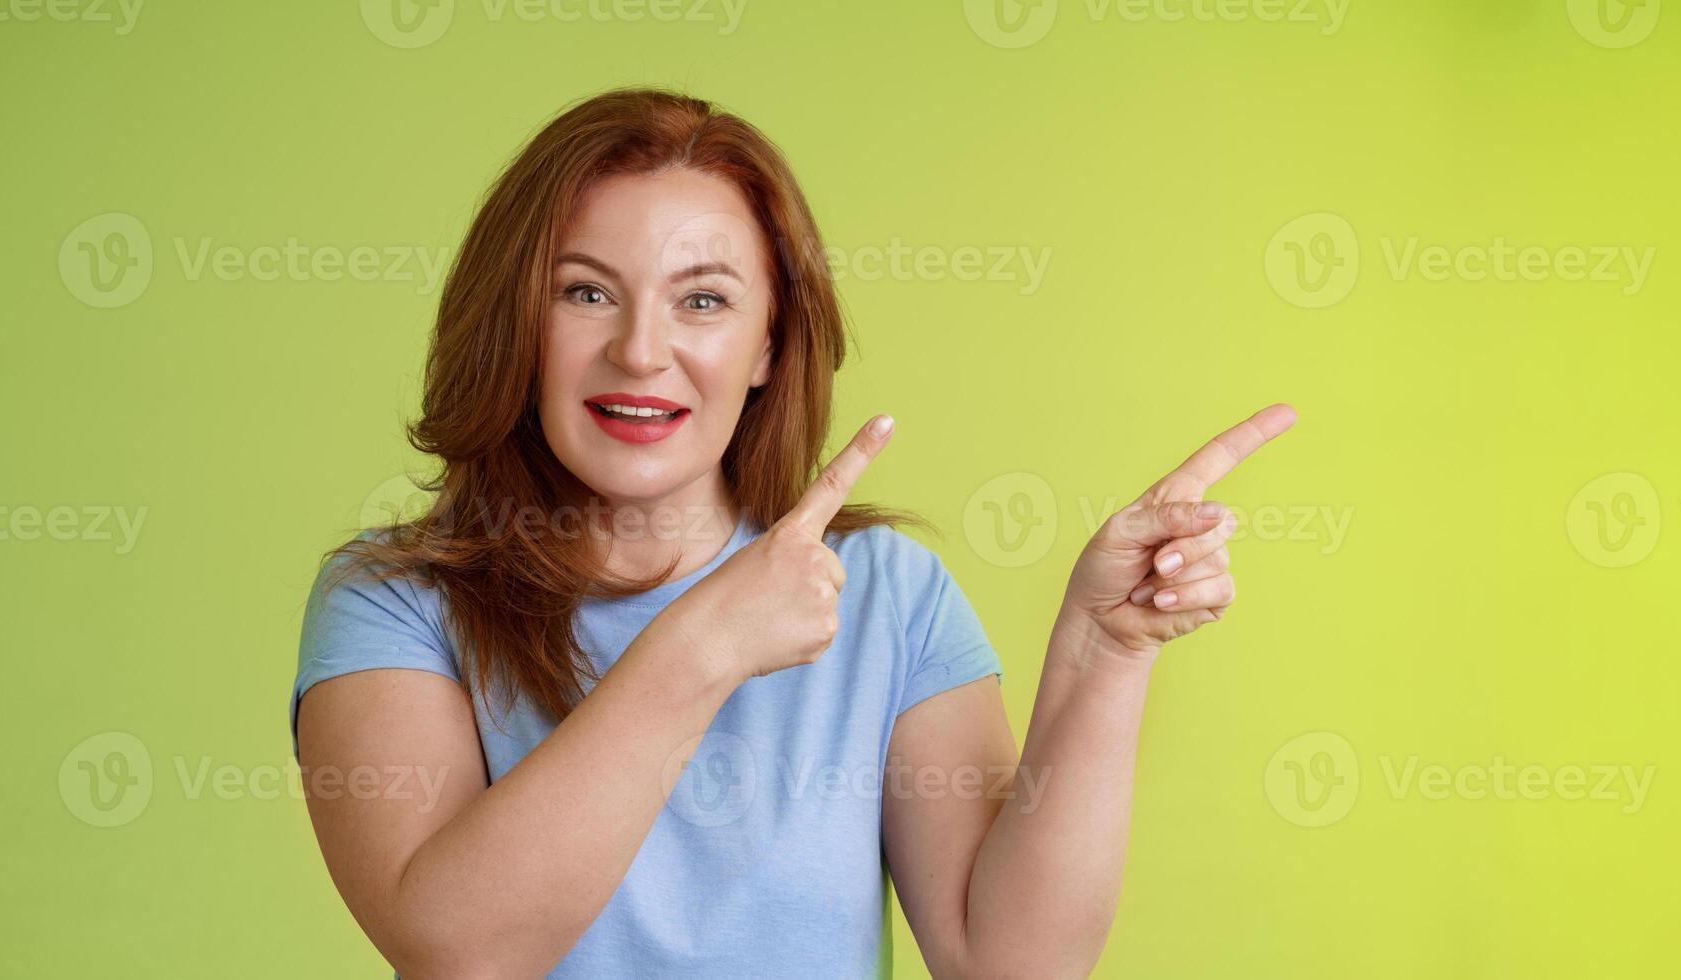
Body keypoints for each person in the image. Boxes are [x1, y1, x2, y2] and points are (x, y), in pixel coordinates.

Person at [294, 87, 1296, 978]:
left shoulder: (886, 591)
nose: (641, 349)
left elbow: (1010, 961)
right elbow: (457, 948)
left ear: (769, 340)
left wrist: (1102, 648)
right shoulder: (391, 603)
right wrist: (699, 644)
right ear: (516, 320)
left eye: (703, 300)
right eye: (584, 291)